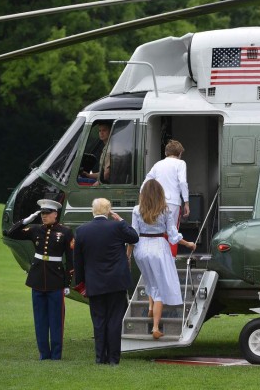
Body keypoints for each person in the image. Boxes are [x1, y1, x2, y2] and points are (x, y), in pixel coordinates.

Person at [4, 199, 74, 360]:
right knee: (40, 319)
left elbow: (71, 259)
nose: (44, 216)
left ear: (55, 214)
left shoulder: (65, 232)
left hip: (56, 280)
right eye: (42, 213)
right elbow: (11, 233)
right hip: (37, 279)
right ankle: (44, 353)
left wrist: (67, 283)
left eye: (47, 213)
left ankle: (56, 354)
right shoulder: (35, 230)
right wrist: (25, 221)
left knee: (56, 319)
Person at [127, 179, 196, 339]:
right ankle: (156, 327)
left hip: (141, 248)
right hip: (159, 247)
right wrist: (188, 244)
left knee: (150, 279)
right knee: (159, 287)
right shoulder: (164, 210)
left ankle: (151, 307)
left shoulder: (137, 210)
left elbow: (133, 234)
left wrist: (128, 255)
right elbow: (173, 235)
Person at [74, 198, 139, 365]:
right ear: (109, 211)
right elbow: (134, 237)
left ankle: (100, 358)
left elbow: (78, 261)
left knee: (99, 321)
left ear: (92, 210)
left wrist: (81, 283)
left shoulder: (82, 230)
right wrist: (121, 220)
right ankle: (113, 358)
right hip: (117, 282)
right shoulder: (117, 227)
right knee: (115, 321)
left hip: (95, 282)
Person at [141, 139, 190, 257]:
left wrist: (143, 199)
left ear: (166, 153)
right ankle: (171, 261)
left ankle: (161, 258)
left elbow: (145, 184)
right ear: (179, 153)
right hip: (173, 202)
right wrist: (186, 202)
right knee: (172, 232)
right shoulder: (180, 163)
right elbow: (183, 182)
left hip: (158, 203)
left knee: (160, 231)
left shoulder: (158, 164)